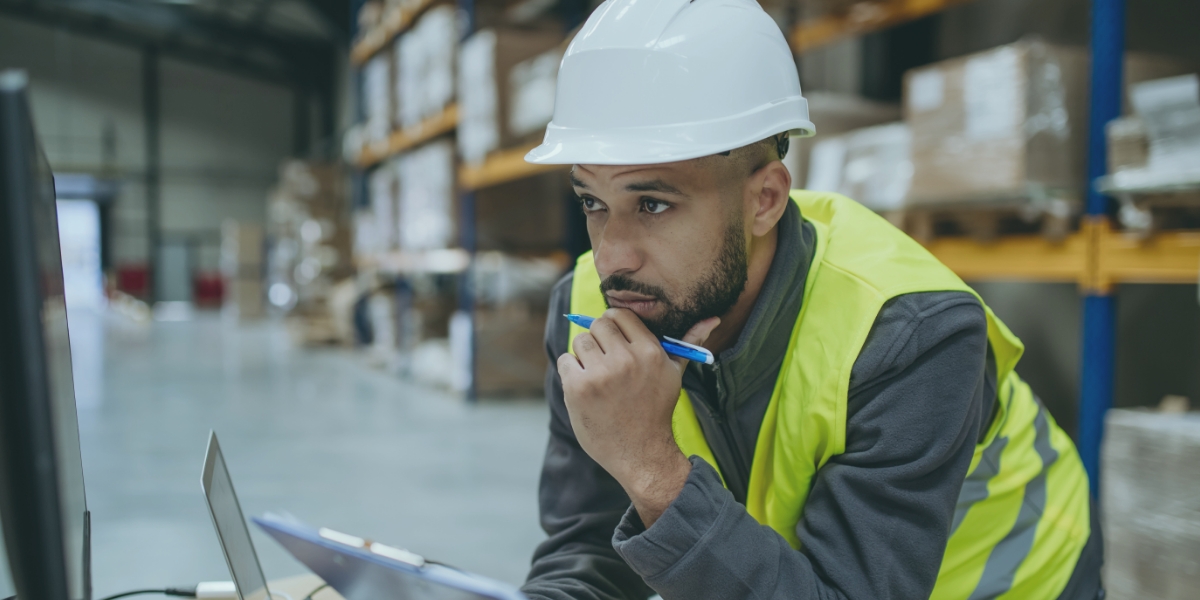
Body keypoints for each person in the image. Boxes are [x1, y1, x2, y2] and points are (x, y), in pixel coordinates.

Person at [518, 1, 1102, 598]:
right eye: (592, 202)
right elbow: (587, 553)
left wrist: (652, 470)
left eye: (653, 204)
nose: (612, 256)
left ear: (764, 199)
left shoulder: (907, 333)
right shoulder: (588, 306)